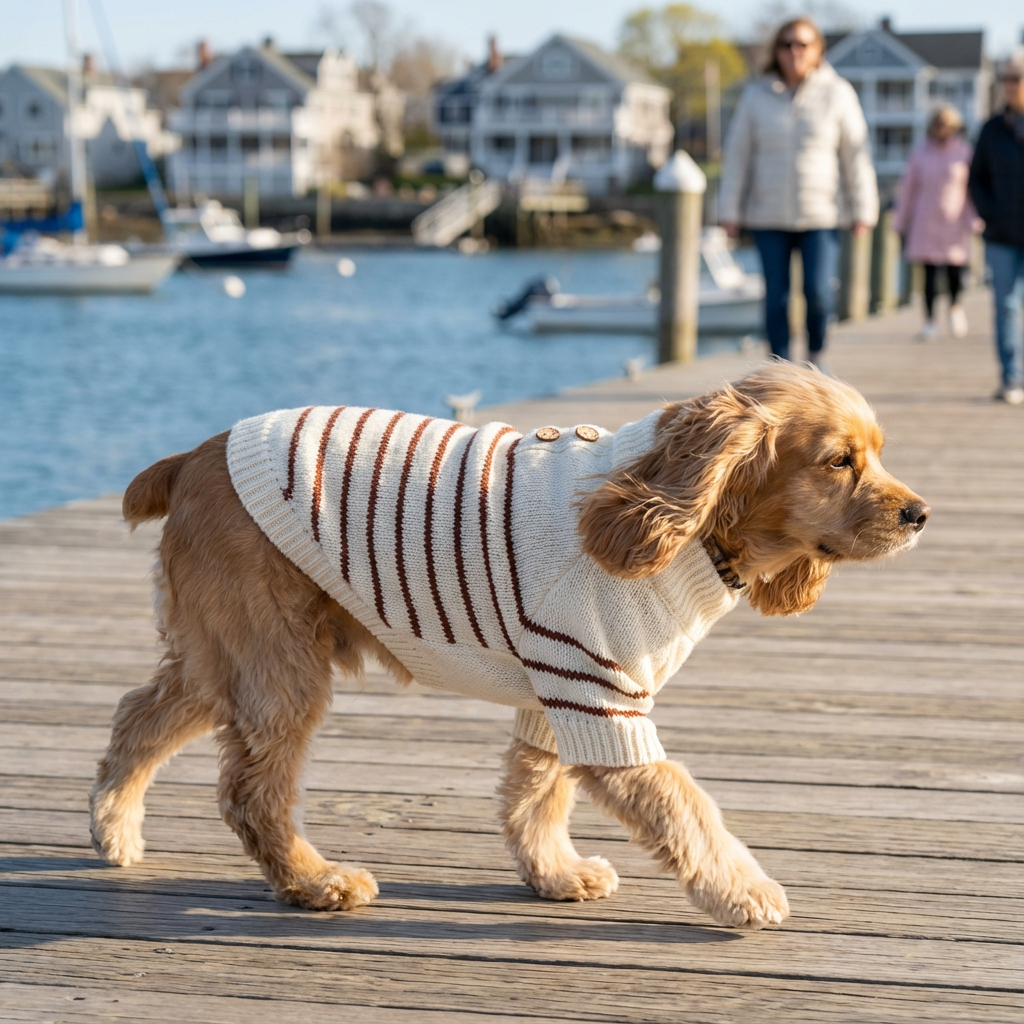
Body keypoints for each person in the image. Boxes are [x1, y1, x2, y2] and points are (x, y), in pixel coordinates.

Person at [720, 17, 878, 369]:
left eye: (803, 44)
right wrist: (729, 210)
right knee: (775, 296)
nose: (795, 51)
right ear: (776, 50)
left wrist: (864, 208)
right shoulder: (755, 96)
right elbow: (737, 157)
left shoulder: (838, 93)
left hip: (821, 214)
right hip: (767, 214)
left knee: (818, 293)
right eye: (787, 44)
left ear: (818, 49)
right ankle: (780, 368)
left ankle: (816, 359)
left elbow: (856, 153)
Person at [969, 49, 1024, 405]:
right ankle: (1011, 377)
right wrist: (991, 212)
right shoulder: (991, 129)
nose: (1009, 86)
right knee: (1005, 305)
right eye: (1005, 78)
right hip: (1002, 235)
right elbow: (976, 180)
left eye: (1016, 78)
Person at [894, 106, 976, 341]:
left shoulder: (964, 153)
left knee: (954, 272)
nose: (943, 130)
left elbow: (970, 191)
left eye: (948, 125)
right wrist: (900, 221)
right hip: (925, 221)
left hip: (954, 221)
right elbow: (908, 190)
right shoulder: (920, 154)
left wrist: (974, 219)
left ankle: (955, 308)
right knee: (928, 274)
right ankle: (929, 321)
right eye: (939, 124)